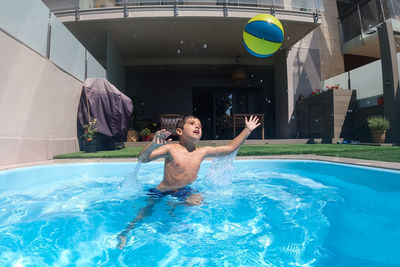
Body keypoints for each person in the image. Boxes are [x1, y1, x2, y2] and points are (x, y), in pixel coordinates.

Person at [117, 115, 260, 249]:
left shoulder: (202, 151)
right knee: (145, 212)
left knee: (198, 201)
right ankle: (125, 233)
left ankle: (178, 220)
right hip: (163, 190)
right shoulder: (170, 148)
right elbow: (143, 159)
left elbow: (230, 148)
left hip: (185, 190)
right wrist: (153, 145)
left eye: (200, 126)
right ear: (179, 131)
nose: (197, 127)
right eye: (192, 124)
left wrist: (247, 130)